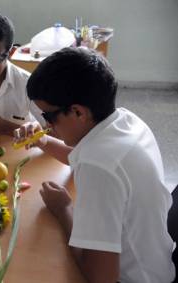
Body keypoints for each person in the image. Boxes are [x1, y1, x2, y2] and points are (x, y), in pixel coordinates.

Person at [14, 47, 175, 282]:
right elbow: (78, 155)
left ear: (78, 112)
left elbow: (101, 277)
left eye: (48, 116)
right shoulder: (125, 120)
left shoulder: (98, 167)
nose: (46, 125)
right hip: (157, 263)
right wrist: (41, 140)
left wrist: (64, 209)